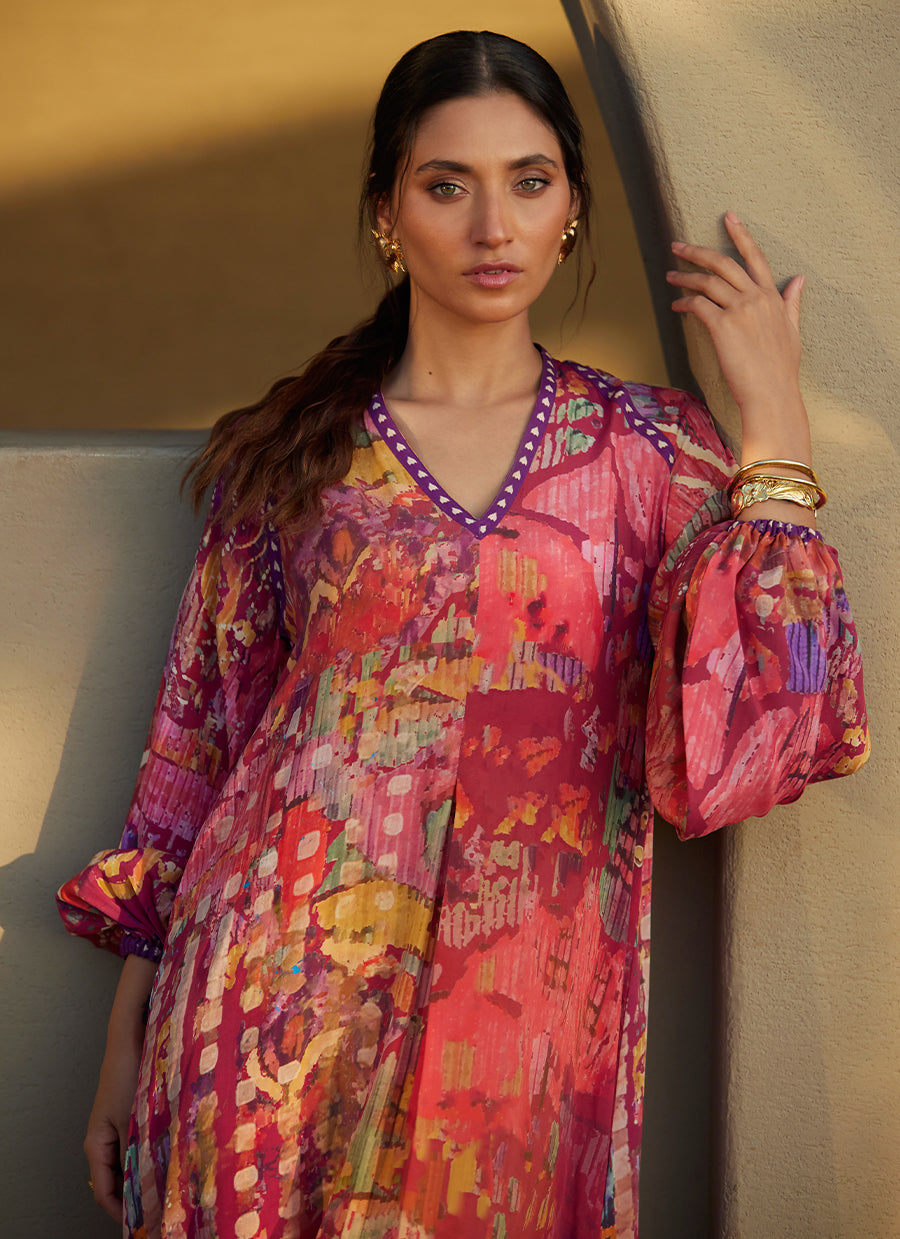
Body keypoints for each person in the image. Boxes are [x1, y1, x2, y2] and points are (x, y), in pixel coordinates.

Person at [57, 29, 869, 1239]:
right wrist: (127, 1036)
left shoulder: (650, 452)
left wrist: (777, 429)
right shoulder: (291, 458)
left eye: (528, 182)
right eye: (449, 186)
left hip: (523, 1039)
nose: (494, 226)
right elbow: (196, 751)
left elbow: (772, 735)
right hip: (263, 1013)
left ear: (571, 210)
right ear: (388, 212)